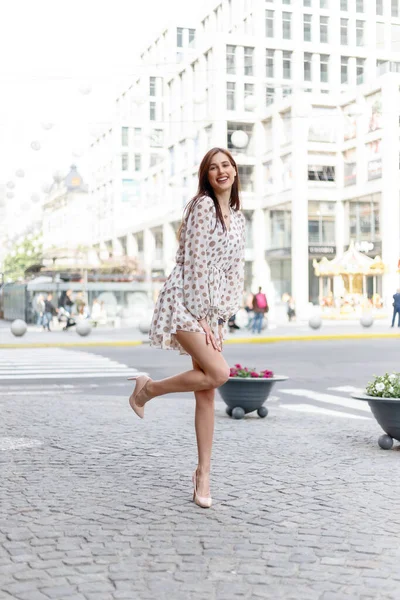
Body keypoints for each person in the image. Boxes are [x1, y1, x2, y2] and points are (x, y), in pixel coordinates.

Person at [128, 148, 245, 509]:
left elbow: (234, 273)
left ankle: (203, 474)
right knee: (219, 372)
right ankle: (147, 391)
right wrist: (205, 317)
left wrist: (221, 317)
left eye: (225, 165)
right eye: (213, 168)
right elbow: (195, 265)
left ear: (235, 171)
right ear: (206, 176)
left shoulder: (239, 218)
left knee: (207, 390)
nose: (220, 171)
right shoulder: (203, 207)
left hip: (210, 310)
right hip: (184, 302)